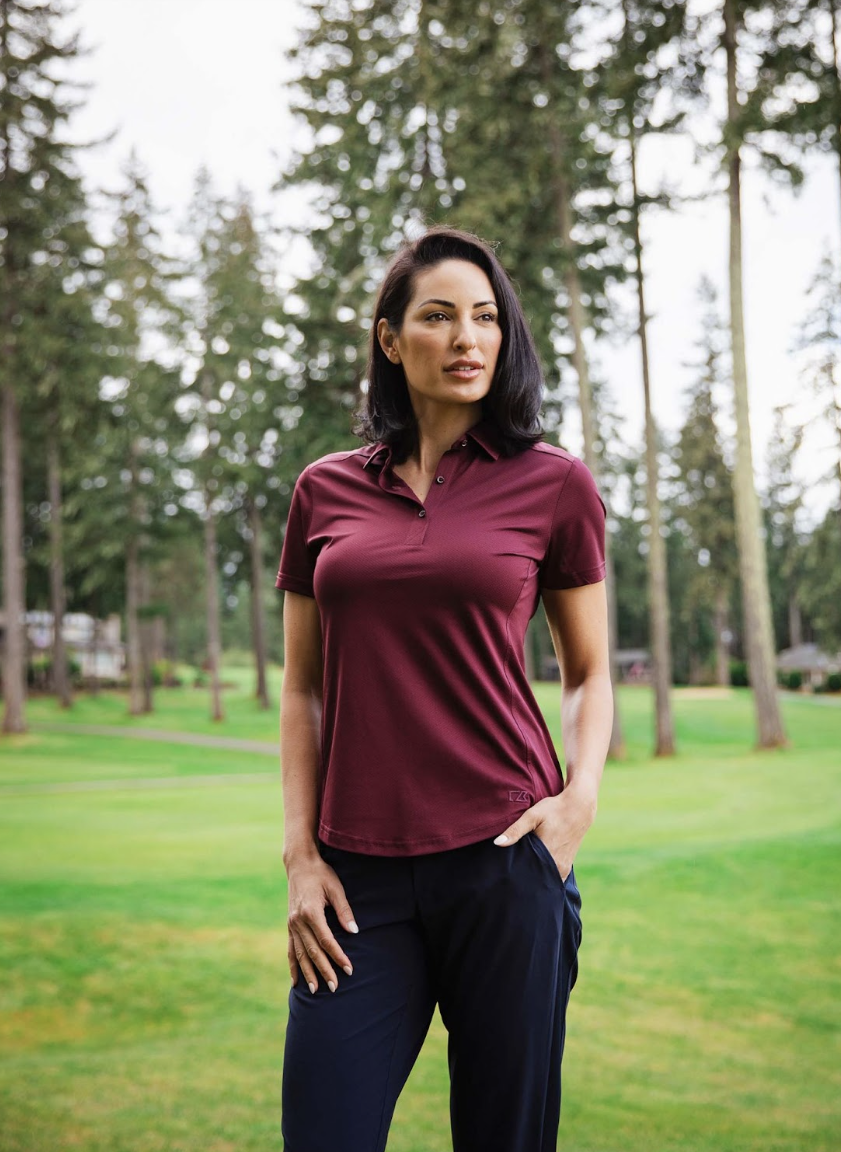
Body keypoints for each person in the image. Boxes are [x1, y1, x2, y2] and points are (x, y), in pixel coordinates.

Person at [275, 225, 613, 1152]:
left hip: (506, 862)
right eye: (438, 317)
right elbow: (302, 692)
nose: (467, 338)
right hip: (356, 882)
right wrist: (301, 857)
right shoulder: (324, 491)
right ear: (391, 339)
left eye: (485, 318)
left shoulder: (554, 485)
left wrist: (577, 802)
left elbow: (587, 673)